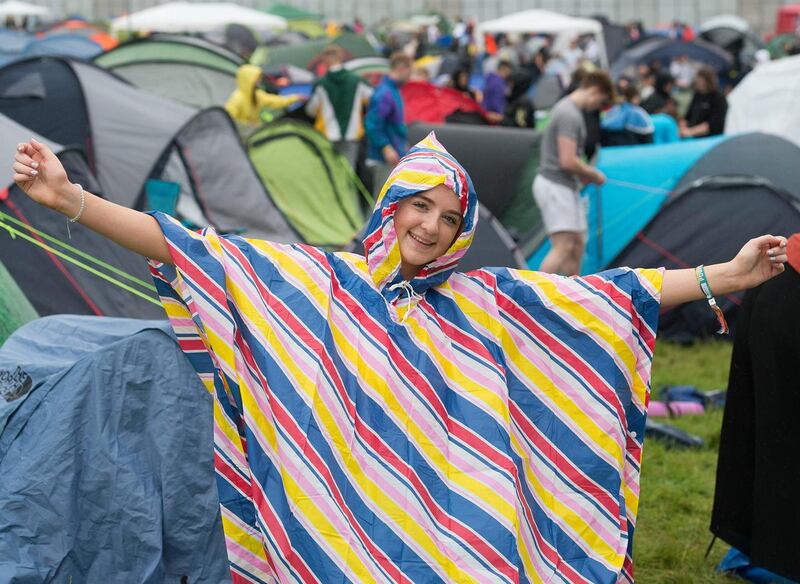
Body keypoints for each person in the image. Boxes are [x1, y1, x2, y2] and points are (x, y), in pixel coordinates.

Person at [11, 135, 788, 583]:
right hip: (343, 517)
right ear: (394, 204)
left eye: (449, 218)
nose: (431, 227)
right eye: (421, 206)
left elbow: (606, 295)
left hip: (460, 505)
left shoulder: (481, 294)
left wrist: (727, 273)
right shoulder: (323, 281)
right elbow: (188, 247)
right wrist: (69, 199)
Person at [711, 232, 800, 582]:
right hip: (782, 284)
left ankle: (764, 549)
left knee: (771, 431)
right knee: (768, 430)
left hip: (778, 283)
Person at [534, 71, 614, 276]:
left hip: (564, 185)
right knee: (563, 246)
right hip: (555, 184)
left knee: (577, 243)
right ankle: (536, 292)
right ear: (595, 91)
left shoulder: (569, 111)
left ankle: (573, 289)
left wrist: (582, 175)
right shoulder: (569, 114)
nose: (598, 108)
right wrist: (593, 174)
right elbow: (567, 160)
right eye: (601, 102)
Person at [305, 45, 374, 169]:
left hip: (327, 135)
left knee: (330, 173)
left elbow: (311, 110)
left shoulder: (321, 84)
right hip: (351, 134)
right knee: (348, 173)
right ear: (340, 58)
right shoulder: (357, 80)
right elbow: (373, 100)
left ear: (325, 61)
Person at [224, 64, 303, 128]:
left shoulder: (257, 94)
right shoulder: (237, 98)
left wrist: (296, 98)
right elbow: (227, 119)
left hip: (254, 130)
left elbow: (275, 101)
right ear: (248, 80)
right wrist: (247, 125)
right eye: (256, 79)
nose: (259, 81)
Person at [680, 66, 728, 138]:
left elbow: (712, 125)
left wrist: (690, 132)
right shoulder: (697, 95)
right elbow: (687, 117)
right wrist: (682, 128)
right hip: (693, 136)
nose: (697, 82)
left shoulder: (718, 98)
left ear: (707, 81)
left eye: (700, 80)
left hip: (710, 138)